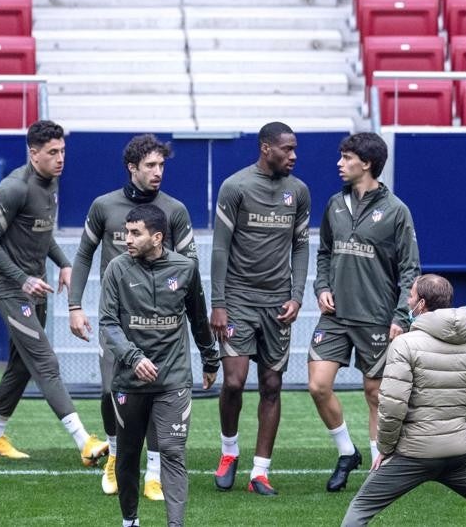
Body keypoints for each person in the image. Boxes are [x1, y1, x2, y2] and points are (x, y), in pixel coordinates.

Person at [340, 274, 466, 527]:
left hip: (412, 453)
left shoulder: (403, 344)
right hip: (459, 454)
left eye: (411, 296)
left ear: (422, 303)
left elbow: (392, 405)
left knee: (360, 508)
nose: (407, 300)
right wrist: (458, 431)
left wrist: (385, 448)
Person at [69, 134, 197, 499]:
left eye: (162, 165)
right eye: (151, 166)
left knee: (159, 392)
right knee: (111, 390)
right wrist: (75, 306)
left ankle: (154, 473)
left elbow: (191, 266)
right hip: (119, 322)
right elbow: (83, 255)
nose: (158, 172)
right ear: (132, 168)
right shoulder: (104, 206)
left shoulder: (175, 210)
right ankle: (114, 454)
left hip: (164, 325)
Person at [0, 120, 107, 464]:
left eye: (63, 151)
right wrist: (22, 278)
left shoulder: (52, 183)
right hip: (10, 288)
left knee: (21, 365)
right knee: (45, 360)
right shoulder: (13, 188)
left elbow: (42, 232)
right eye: (53, 153)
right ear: (33, 154)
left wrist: (64, 263)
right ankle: (84, 441)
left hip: (37, 287)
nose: (61, 158)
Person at [310, 131, 421, 493]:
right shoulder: (334, 204)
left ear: (367, 163)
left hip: (377, 317)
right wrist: (321, 287)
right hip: (335, 316)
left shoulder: (397, 210)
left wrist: (401, 318)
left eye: (346, 158)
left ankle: (378, 468)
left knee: (374, 393)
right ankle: (347, 452)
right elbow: (324, 251)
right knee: (318, 386)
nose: (339, 164)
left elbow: (410, 270)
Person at [100, 204, 219, 527]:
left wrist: (211, 359)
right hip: (128, 380)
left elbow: (198, 318)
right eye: (126, 232)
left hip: (174, 379)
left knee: (172, 451)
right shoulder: (116, 269)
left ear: (157, 237)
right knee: (126, 457)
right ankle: (130, 521)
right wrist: (134, 358)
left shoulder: (185, 268)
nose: (127, 239)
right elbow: (108, 323)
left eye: (135, 233)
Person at [210, 121, 311, 496]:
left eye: (295, 148)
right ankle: (228, 452)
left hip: (277, 302)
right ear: (266, 148)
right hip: (237, 298)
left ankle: (260, 472)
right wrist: (218, 303)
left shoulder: (298, 191)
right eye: (287, 149)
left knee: (272, 384)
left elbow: (301, 246)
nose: (294, 156)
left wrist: (297, 295)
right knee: (234, 382)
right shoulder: (235, 186)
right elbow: (220, 248)